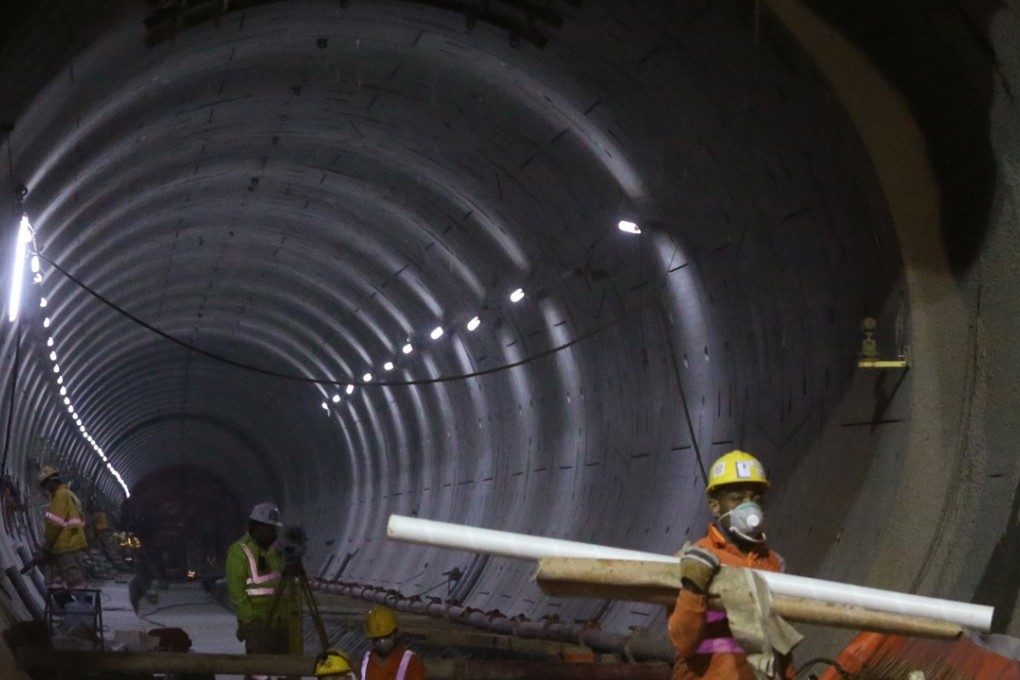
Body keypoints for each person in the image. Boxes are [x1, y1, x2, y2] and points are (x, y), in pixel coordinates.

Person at [668, 450, 794, 680]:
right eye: (736, 498)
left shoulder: (774, 563)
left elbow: (780, 643)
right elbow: (683, 641)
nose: (749, 507)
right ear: (716, 507)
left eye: (755, 500)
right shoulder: (693, 560)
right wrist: (694, 586)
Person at [226, 502, 292, 677]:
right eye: (270, 528)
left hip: (281, 622)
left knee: (286, 671)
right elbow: (237, 593)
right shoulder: (239, 552)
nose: (274, 533)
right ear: (258, 526)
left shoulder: (275, 550)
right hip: (258, 622)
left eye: (275, 529)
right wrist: (250, 620)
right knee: (259, 672)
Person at [34, 466, 88, 591]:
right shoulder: (68, 494)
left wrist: (46, 545)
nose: (46, 489)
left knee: (74, 582)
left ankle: (82, 607)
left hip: (66, 545)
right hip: (64, 545)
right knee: (53, 581)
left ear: (51, 482)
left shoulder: (60, 496)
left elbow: (55, 524)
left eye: (46, 485)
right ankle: (66, 608)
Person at [361, 606, 426, 680]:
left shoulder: (411, 663)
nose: (382, 641)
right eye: (377, 638)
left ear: (396, 633)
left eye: (386, 636)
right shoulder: (365, 663)